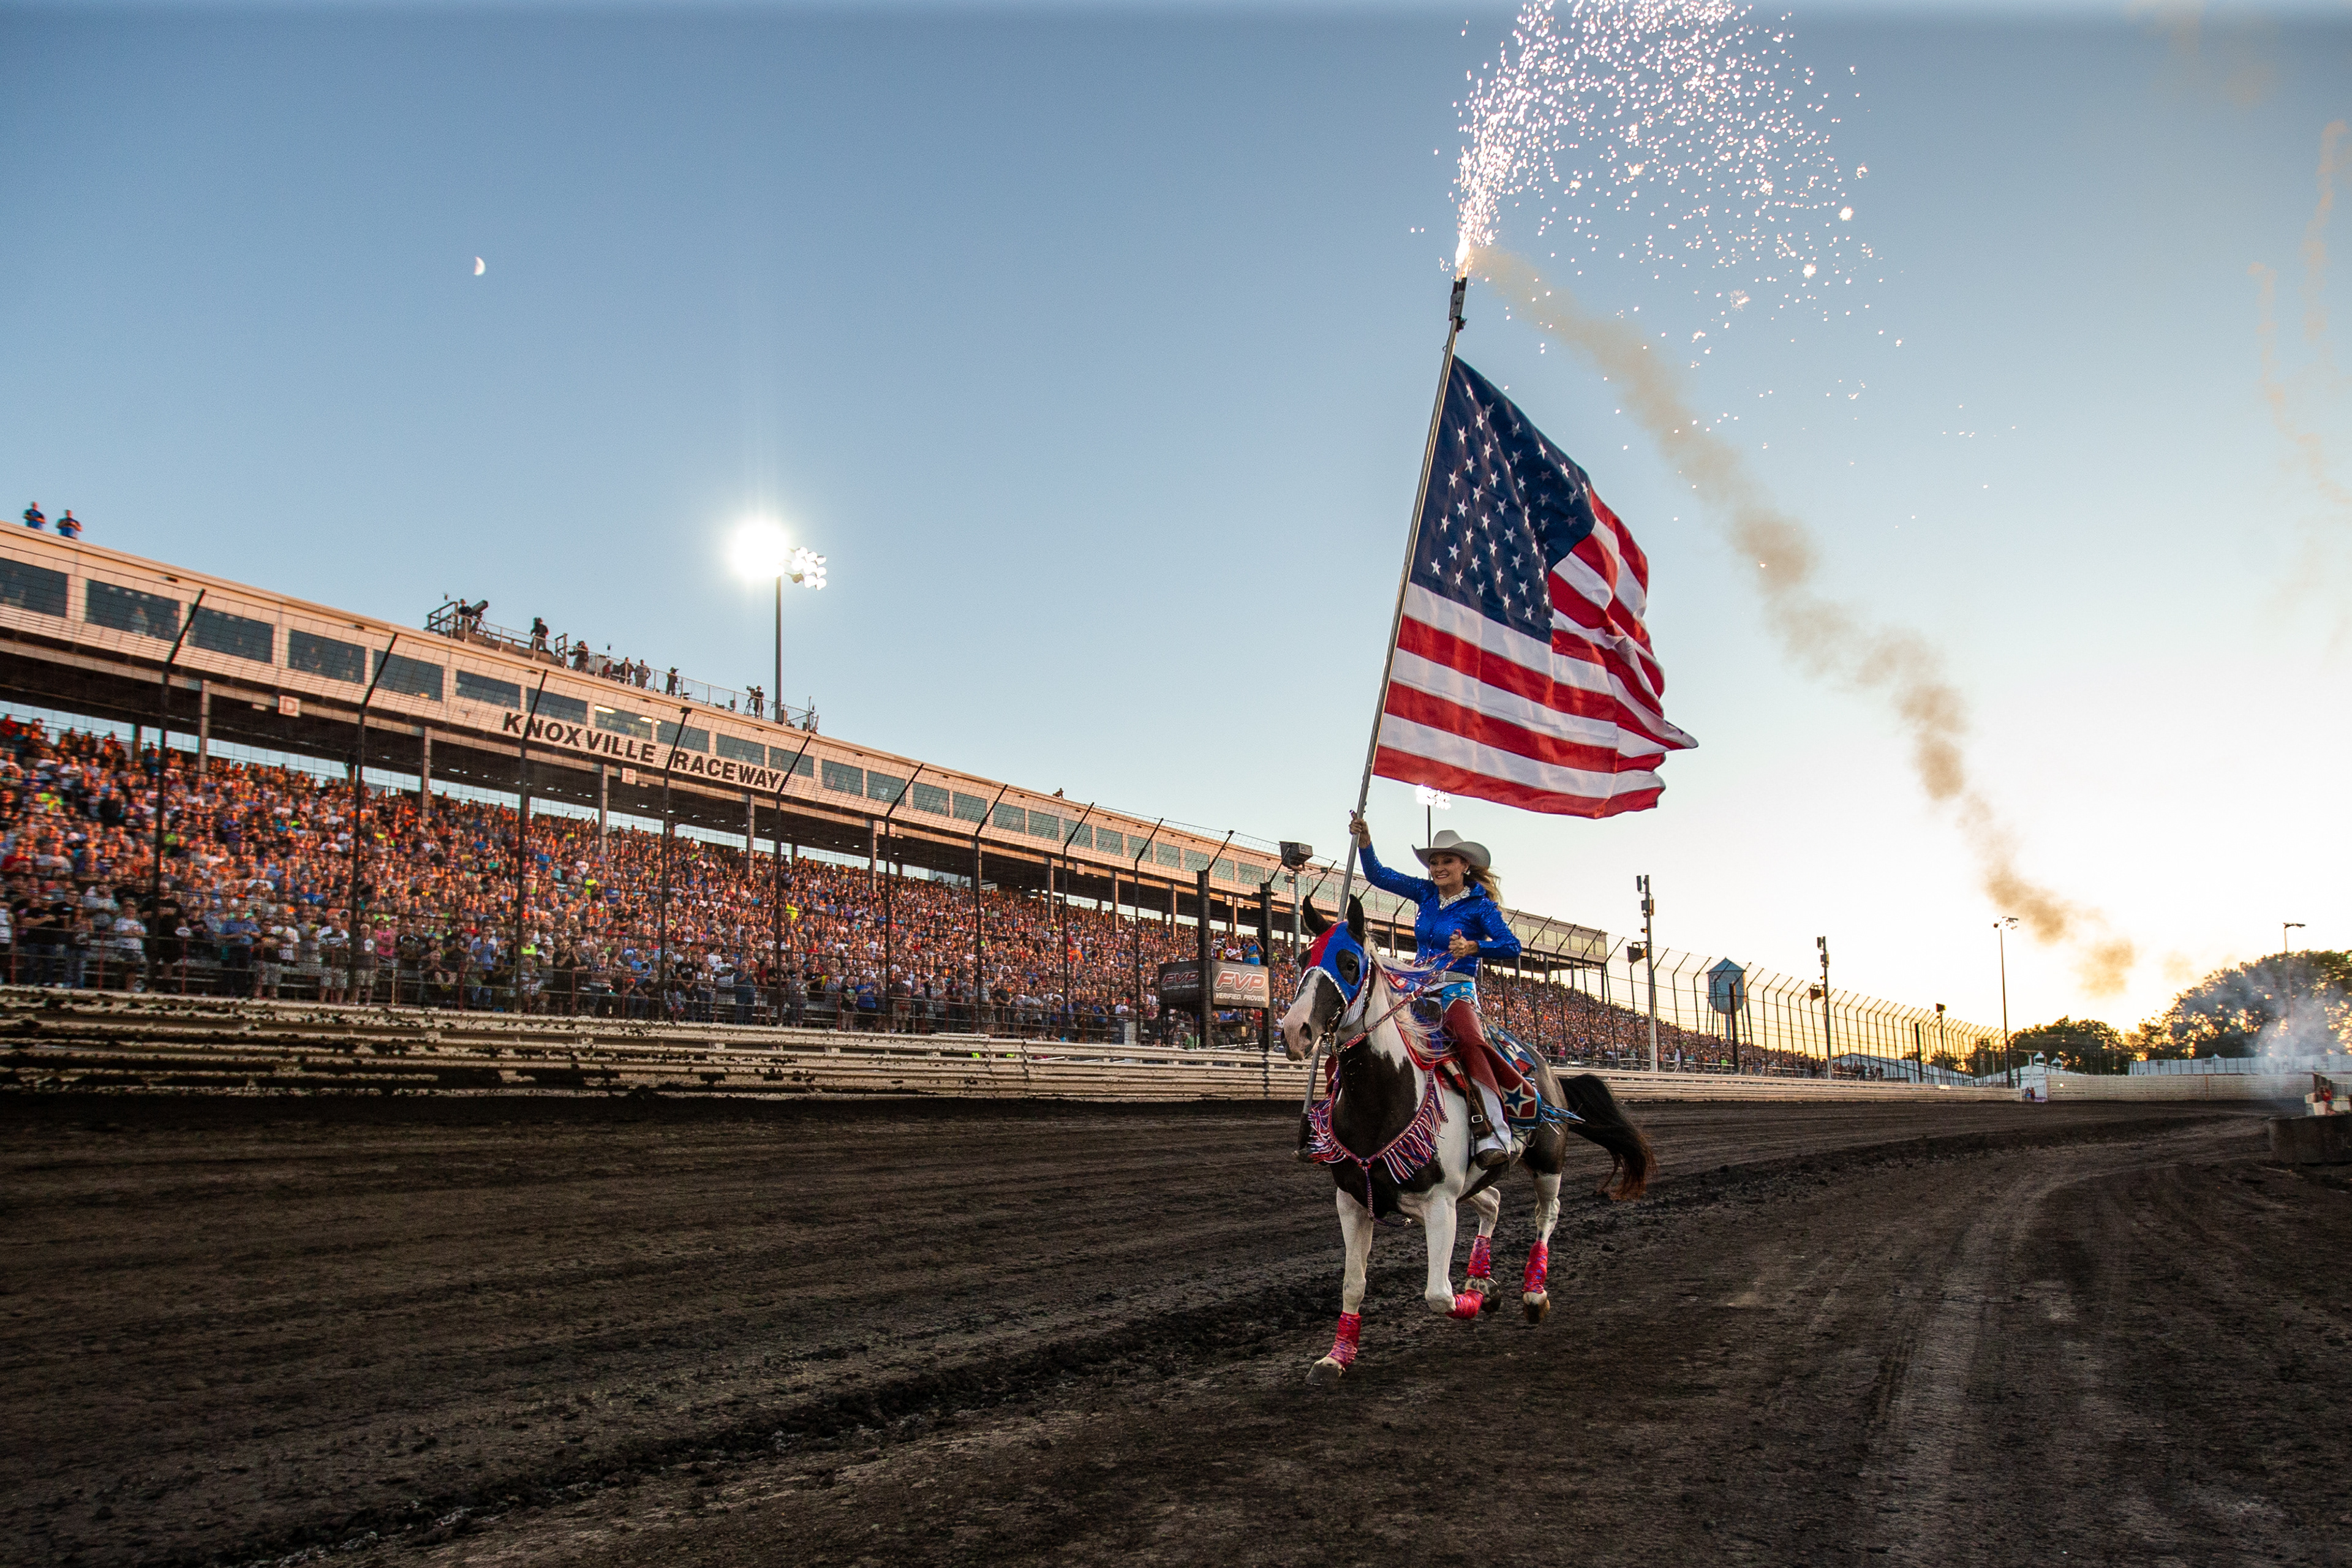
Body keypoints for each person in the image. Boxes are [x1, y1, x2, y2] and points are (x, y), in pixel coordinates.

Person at [1348, 813, 1524, 1169]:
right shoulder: (1425, 892)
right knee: (1362, 1030)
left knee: (1471, 1041)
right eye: (1434, 862)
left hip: (1456, 991)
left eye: (1447, 861)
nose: (1438, 868)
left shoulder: (1481, 906)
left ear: (1465, 865)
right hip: (1415, 987)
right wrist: (1366, 842)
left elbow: (1512, 946)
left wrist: (1474, 947)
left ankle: (1493, 1130)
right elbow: (1379, 876)